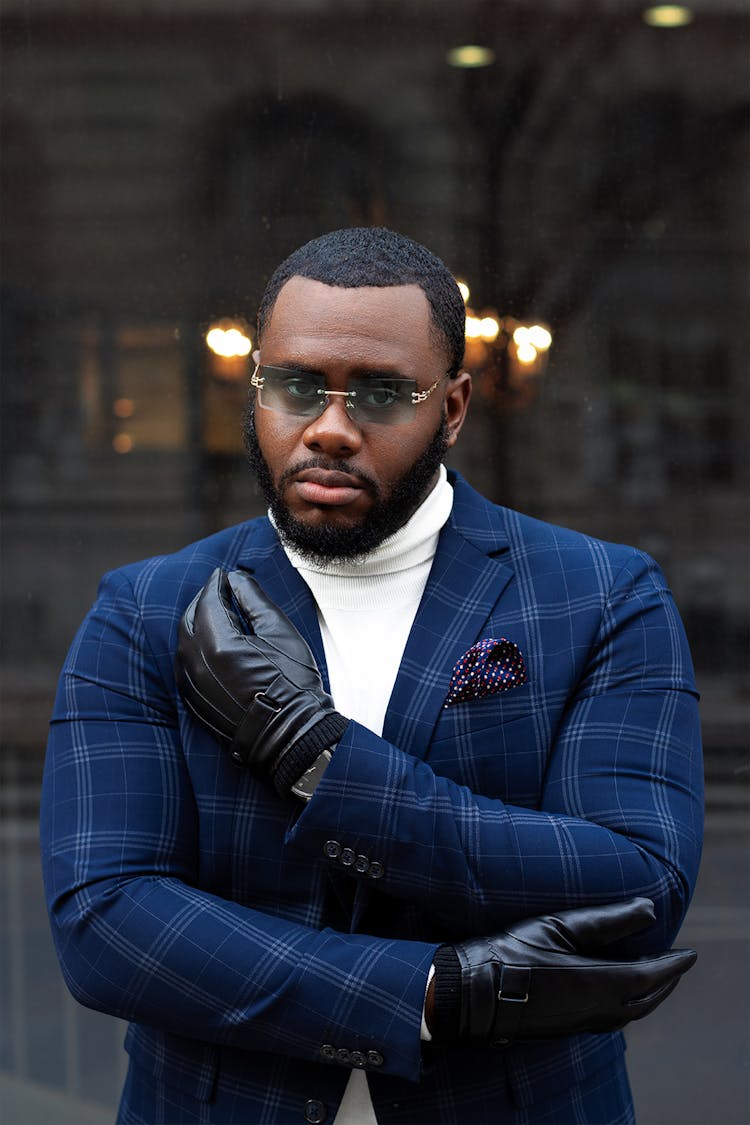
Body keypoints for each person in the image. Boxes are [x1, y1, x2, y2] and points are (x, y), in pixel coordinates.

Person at [41, 227, 703, 1125]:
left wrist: (317, 757)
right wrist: (427, 993)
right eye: (296, 385)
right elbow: (108, 924)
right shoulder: (147, 611)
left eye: (383, 394)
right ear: (255, 385)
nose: (330, 429)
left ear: (455, 407)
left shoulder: (600, 594)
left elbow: (636, 887)